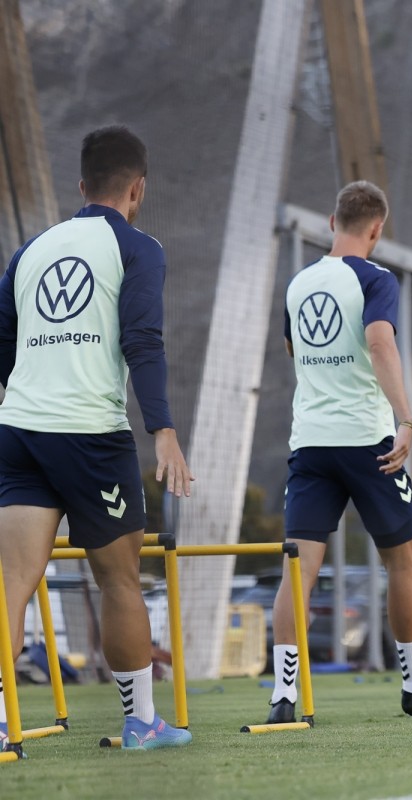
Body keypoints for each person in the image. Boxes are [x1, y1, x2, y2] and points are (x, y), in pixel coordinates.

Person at [0, 126, 193, 750]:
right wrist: (163, 429)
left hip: (19, 430)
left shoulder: (31, 251)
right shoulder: (138, 247)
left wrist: (30, 392)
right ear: (138, 190)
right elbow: (143, 340)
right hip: (90, 435)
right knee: (119, 579)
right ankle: (141, 723)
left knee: (10, 581)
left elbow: (4, 345)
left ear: (81, 187)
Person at [262, 181, 412, 724]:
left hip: (309, 443)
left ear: (333, 222)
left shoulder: (300, 282)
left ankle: (283, 698)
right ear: (376, 230)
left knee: (299, 569)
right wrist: (406, 418)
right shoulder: (376, 278)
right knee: (402, 558)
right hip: (368, 441)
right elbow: (379, 341)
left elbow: (292, 347)